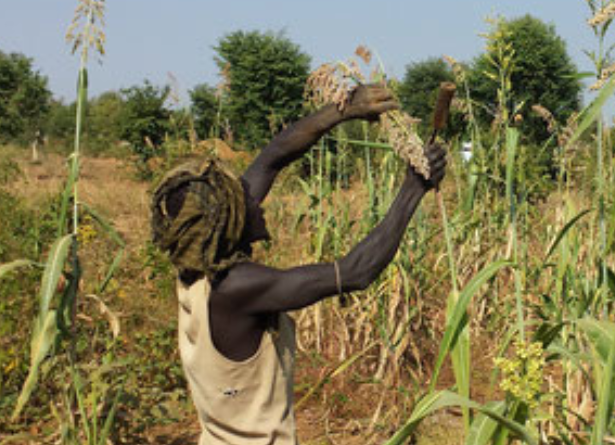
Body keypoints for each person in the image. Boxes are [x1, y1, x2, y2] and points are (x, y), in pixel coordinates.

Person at [149, 84, 446, 445]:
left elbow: (272, 158)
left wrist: (343, 110)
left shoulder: (196, 269)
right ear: (227, 223)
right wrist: (414, 187)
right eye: (244, 201)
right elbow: (355, 272)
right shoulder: (237, 288)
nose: (256, 201)